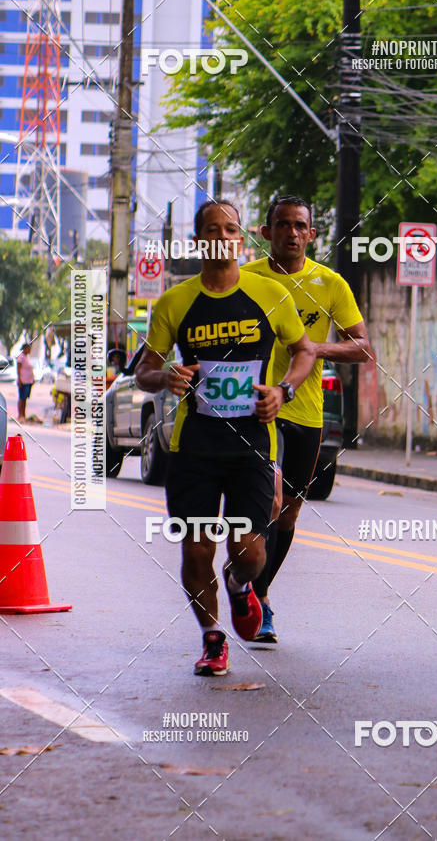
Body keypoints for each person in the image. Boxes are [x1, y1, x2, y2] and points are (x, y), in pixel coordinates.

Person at [135, 200, 314, 676]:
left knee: (249, 552)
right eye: (211, 229)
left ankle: (238, 585)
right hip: (195, 444)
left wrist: (284, 389)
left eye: (230, 228)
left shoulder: (270, 293)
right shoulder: (175, 301)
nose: (222, 235)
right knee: (196, 549)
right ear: (198, 241)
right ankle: (213, 639)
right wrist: (165, 374)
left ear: (241, 238)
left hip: (251, 442)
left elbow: (303, 351)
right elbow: (144, 371)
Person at [243, 195, 373, 642]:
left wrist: (315, 348)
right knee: (273, 500)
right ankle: (258, 603)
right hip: (260, 409)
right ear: (266, 232)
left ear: (312, 234)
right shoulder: (246, 280)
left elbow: (363, 348)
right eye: (283, 225)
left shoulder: (329, 282)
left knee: (290, 514)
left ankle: (259, 594)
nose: (292, 233)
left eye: (301, 226)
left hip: (308, 411)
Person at [16, 343, 35, 421]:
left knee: (25, 398)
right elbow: (19, 369)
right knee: (21, 398)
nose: (30, 350)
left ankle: (23, 414)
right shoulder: (21, 357)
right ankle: (20, 414)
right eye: (28, 348)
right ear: (24, 349)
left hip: (29, 381)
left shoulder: (28, 357)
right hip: (23, 380)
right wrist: (19, 379)